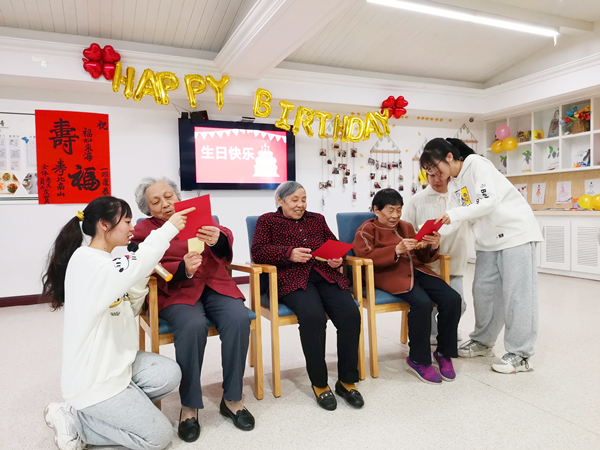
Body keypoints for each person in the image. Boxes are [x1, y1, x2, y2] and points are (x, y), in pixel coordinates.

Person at [41, 195, 191, 450]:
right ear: (104, 225)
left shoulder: (108, 262)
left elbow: (128, 309)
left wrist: (141, 277)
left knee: (168, 374)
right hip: (94, 379)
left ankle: (107, 409)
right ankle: (75, 420)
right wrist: (168, 229)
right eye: (128, 221)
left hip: (117, 364)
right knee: (158, 437)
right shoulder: (85, 262)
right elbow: (134, 262)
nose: (133, 228)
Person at [132, 177, 254, 442]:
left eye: (169, 196)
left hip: (215, 283)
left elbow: (226, 236)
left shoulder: (194, 213)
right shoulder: (144, 230)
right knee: (191, 325)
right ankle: (189, 406)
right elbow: (147, 265)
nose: (165, 204)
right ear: (147, 209)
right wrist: (181, 269)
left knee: (239, 318)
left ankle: (232, 398)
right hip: (177, 289)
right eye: (156, 201)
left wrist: (217, 239)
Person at [420, 138, 543, 374]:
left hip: (515, 235)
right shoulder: (455, 183)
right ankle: (483, 341)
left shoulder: (477, 165)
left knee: (518, 295)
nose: (434, 173)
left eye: (435, 167)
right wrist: (436, 235)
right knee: (483, 292)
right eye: (428, 171)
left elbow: (488, 202)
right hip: (487, 242)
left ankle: (520, 354)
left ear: (449, 157)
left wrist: (452, 214)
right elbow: (456, 219)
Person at [251, 181, 364, 410]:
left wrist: (336, 258)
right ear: (280, 201)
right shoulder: (267, 221)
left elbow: (333, 244)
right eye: (294, 200)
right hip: (291, 279)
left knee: (351, 314)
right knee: (313, 317)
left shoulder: (317, 219)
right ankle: (320, 384)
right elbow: (258, 251)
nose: (300, 205)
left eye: (303, 199)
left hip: (324, 274)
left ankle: (346, 381)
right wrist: (288, 254)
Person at [353, 189, 462, 384]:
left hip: (418, 270)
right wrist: (395, 250)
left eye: (399, 209)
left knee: (453, 299)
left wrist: (432, 245)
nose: (395, 215)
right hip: (390, 275)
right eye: (390, 210)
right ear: (376, 210)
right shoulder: (366, 230)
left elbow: (422, 258)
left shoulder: (407, 226)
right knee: (422, 303)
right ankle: (418, 360)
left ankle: (444, 353)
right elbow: (364, 256)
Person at [402, 138, 472, 344]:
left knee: (460, 304)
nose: (436, 179)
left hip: (455, 261)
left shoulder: (460, 196)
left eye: (440, 173)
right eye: (430, 175)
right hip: (427, 265)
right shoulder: (417, 200)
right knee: (429, 304)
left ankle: (446, 330)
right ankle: (432, 334)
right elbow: (407, 232)